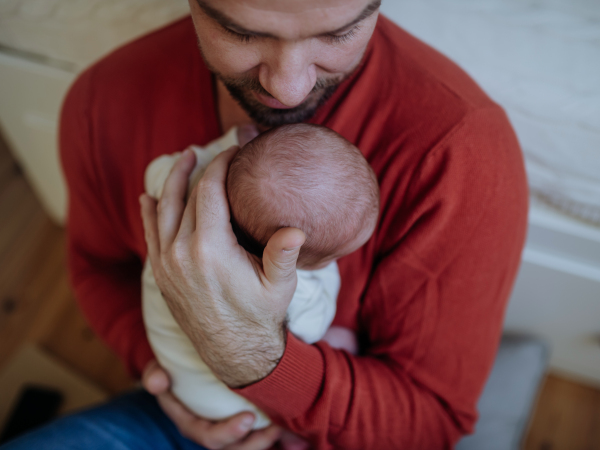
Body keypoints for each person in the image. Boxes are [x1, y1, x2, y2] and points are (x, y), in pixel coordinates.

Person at [1, 0, 528, 449]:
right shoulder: (104, 102)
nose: (290, 88)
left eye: (339, 32)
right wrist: (163, 373)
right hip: (181, 411)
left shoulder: (462, 155)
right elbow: (97, 267)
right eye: (241, 31)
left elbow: (429, 420)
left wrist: (257, 362)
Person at [142, 123, 378, 430]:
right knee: (341, 340)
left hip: (170, 366)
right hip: (224, 403)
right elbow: (312, 329)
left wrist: (223, 147)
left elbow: (155, 172)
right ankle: (291, 437)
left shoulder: (188, 182)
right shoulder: (296, 291)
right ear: (290, 253)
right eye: (333, 257)